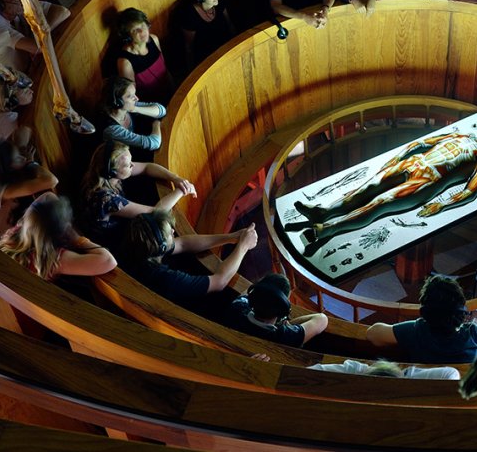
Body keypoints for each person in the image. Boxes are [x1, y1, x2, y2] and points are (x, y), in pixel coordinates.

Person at [287, 126, 477, 257]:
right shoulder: (461, 136)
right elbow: (423, 143)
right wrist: (398, 157)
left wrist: (442, 204)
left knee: (379, 203)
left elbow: (470, 191)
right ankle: (323, 212)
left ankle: (327, 229)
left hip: (429, 180)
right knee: (364, 188)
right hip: (415, 162)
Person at [115, 210, 259, 305]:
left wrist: (230, 237)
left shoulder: (139, 245)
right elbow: (219, 281)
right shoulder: (166, 278)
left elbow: (183, 243)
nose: (173, 231)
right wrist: (243, 246)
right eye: (170, 233)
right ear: (162, 248)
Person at [366, 275, 477, 364]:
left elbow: (372, 334)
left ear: (425, 313)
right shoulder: (475, 335)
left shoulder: (415, 331)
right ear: (461, 311)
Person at [81, 141, 196, 240]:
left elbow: (147, 167)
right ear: (113, 173)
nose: (132, 165)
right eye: (127, 165)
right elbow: (156, 212)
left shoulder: (104, 172)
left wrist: (175, 178)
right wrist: (182, 190)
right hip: (113, 239)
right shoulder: (106, 199)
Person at [0, 193, 116, 280]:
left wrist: (54, 214)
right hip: (22, 310)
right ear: (60, 233)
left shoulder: (16, 232)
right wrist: (77, 238)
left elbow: (47, 196)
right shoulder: (51, 259)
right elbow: (108, 261)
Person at [225, 273, 328, 347]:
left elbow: (248, 293)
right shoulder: (286, 336)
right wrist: (289, 323)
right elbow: (322, 319)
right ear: (285, 309)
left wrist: (265, 287)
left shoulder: (238, 307)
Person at [173, 0, 236, 71]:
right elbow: (189, 47)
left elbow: (230, 24)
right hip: (207, 60)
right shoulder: (189, 16)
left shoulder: (218, 2)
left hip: (226, 50)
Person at [114, 7, 175, 103]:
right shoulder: (125, 62)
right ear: (127, 36)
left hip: (170, 93)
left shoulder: (154, 39)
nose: (142, 31)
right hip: (152, 105)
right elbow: (133, 99)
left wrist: (175, 91)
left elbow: (165, 70)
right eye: (135, 30)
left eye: (143, 25)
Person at [97, 76, 167, 153]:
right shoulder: (112, 130)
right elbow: (153, 143)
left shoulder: (128, 107)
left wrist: (136, 109)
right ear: (117, 102)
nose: (136, 98)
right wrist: (156, 123)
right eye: (130, 96)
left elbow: (162, 110)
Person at [308, 359, 461, 380]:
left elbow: (309, 372)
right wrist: (411, 375)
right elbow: (451, 373)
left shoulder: (356, 370)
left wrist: (359, 370)